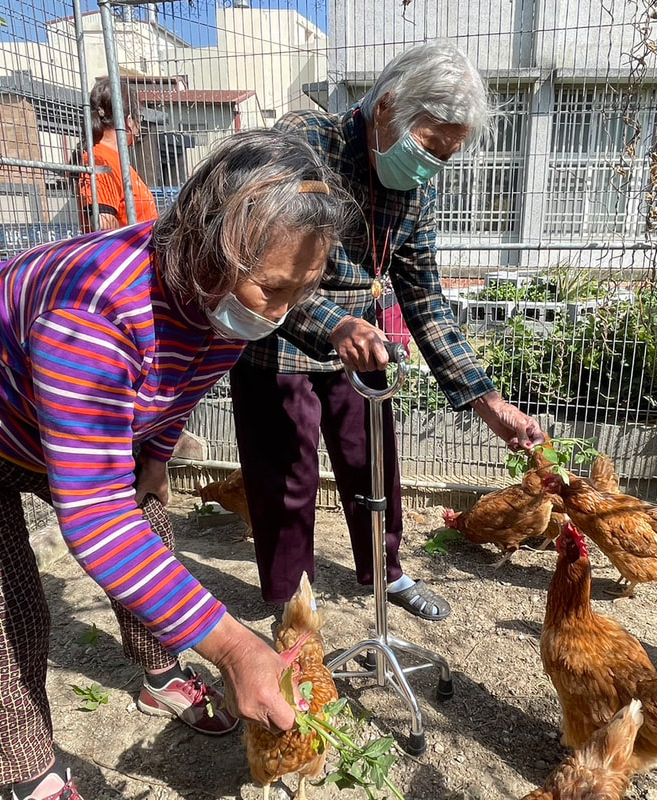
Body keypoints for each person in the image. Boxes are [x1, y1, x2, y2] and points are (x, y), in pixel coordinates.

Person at [0, 129, 350, 800]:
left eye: (300, 290)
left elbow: (186, 378)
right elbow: (94, 517)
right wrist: (234, 649)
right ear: (208, 250)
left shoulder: (224, 304)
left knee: (147, 521)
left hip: (29, 394)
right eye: (273, 288)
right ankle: (22, 771)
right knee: (0, 601)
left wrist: (156, 452)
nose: (283, 311)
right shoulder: (97, 312)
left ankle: (159, 673)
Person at [230, 41, 545, 622]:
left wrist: (488, 401)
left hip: (360, 351)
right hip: (279, 333)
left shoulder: (416, 190)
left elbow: (424, 297)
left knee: (373, 463)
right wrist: (335, 321)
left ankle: (386, 572)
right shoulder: (304, 144)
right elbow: (254, 268)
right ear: (386, 108)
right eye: (426, 147)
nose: (428, 167)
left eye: (443, 159)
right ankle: (289, 601)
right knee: (286, 480)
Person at [75, 77, 158, 232]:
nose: (139, 127)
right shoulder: (100, 160)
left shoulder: (116, 160)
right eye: (138, 118)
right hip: (124, 254)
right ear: (128, 122)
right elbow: (102, 224)